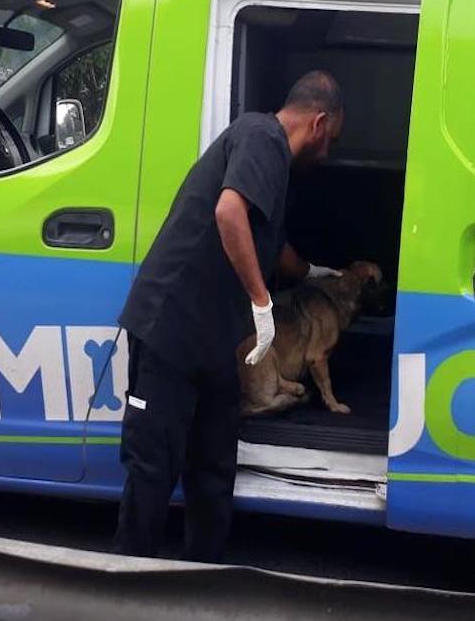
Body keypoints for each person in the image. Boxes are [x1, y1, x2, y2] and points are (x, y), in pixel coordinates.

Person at [113, 71, 345, 562]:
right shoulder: (262, 136)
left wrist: (316, 273)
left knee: (214, 466)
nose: (328, 154)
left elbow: (274, 245)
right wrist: (262, 302)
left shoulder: (277, 166)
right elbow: (229, 213)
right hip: (170, 327)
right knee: (153, 467)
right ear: (319, 123)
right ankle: (128, 582)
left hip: (218, 340)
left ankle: (204, 579)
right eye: (332, 141)